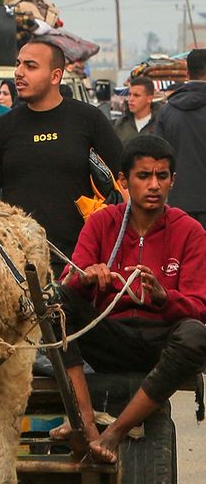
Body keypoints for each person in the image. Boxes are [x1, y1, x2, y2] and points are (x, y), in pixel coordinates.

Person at [50, 135, 206, 464]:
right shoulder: (101, 222)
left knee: (195, 334)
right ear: (123, 181)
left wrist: (165, 298)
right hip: (110, 338)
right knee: (55, 304)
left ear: (172, 181)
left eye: (162, 177)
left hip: (160, 344)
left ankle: (115, 432)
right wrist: (88, 279)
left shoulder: (190, 230)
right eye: (143, 176)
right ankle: (87, 424)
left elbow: (199, 306)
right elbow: (69, 280)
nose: (154, 185)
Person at [0, 40, 124, 275]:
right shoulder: (2, 128)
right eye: (18, 64)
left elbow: (125, 181)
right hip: (19, 263)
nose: (19, 72)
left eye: (30, 66)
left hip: (82, 262)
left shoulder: (88, 119)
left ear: (56, 76)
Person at [155, 48, 206, 228]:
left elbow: (157, 156)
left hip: (177, 204)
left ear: (187, 72)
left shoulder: (167, 110)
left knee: (183, 255)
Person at [114, 76, 159, 145]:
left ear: (149, 98)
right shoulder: (120, 125)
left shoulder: (160, 123)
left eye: (136, 95)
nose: (131, 99)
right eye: (129, 94)